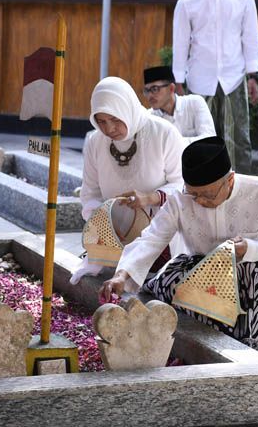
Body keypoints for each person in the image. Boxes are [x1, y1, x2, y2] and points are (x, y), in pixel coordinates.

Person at [100, 137, 258, 351]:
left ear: (230, 180)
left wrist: (249, 248)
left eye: (207, 195)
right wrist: (122, 275)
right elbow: (152, 238)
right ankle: (212, 340)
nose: (201, 202)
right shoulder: (180, 199)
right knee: (171, 278)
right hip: (204, 275)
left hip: (253, 277)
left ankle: (253, 344)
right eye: (194, 194)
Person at [72, 77, 185, 285]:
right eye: (102, 121)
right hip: (113, 237)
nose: (109, 129)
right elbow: (90, 193)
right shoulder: (95, 141)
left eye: (115, 119)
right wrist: (104, 221)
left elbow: (185, 186)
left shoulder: (164, 133)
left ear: (127, 109)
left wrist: (151, 198)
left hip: (161, 236)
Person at [172, 0, 258, 174]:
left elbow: (250, 37)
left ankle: (240, 194)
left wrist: (253, 75)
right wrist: (178, 80)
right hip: (199, 81)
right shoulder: (187, 1)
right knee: (202, 143)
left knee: (239, 142)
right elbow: (181, 42)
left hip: (234, 80)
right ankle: (203, 193)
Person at [143, 65, 216, 144]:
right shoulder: (149, 118)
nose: (150, 95)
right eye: (147, 91)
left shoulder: (194, 103)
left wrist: (173, 143)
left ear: (171, 88)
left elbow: (210, 139)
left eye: (154, 89)